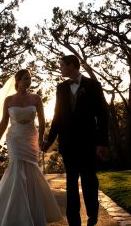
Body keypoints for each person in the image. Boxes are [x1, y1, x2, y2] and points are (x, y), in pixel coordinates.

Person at [0, 69, 63, 226]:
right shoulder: (8, 100)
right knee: (16, 170)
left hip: (30, 137)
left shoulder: (36, 99)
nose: (29, 82)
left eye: (30, 79)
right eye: (26, 79)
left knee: (31, 170)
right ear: (18, 81)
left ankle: (32, 212)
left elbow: (42, 122)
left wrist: (41, 139)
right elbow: (3, 123)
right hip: (14, 138)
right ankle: (15, 214)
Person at [42, 55, 109, 226]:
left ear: (72, 66)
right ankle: (73, 220)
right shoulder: (61, 88)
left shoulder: (93, 86)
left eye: (62, 66)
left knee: (89, 180)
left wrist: (102, 142)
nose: (61, 69)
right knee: (71, 182)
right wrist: (49, 141)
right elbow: (57, 116)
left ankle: (92, 215)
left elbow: (102, 115)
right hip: (68, 143)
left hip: (88, 142)